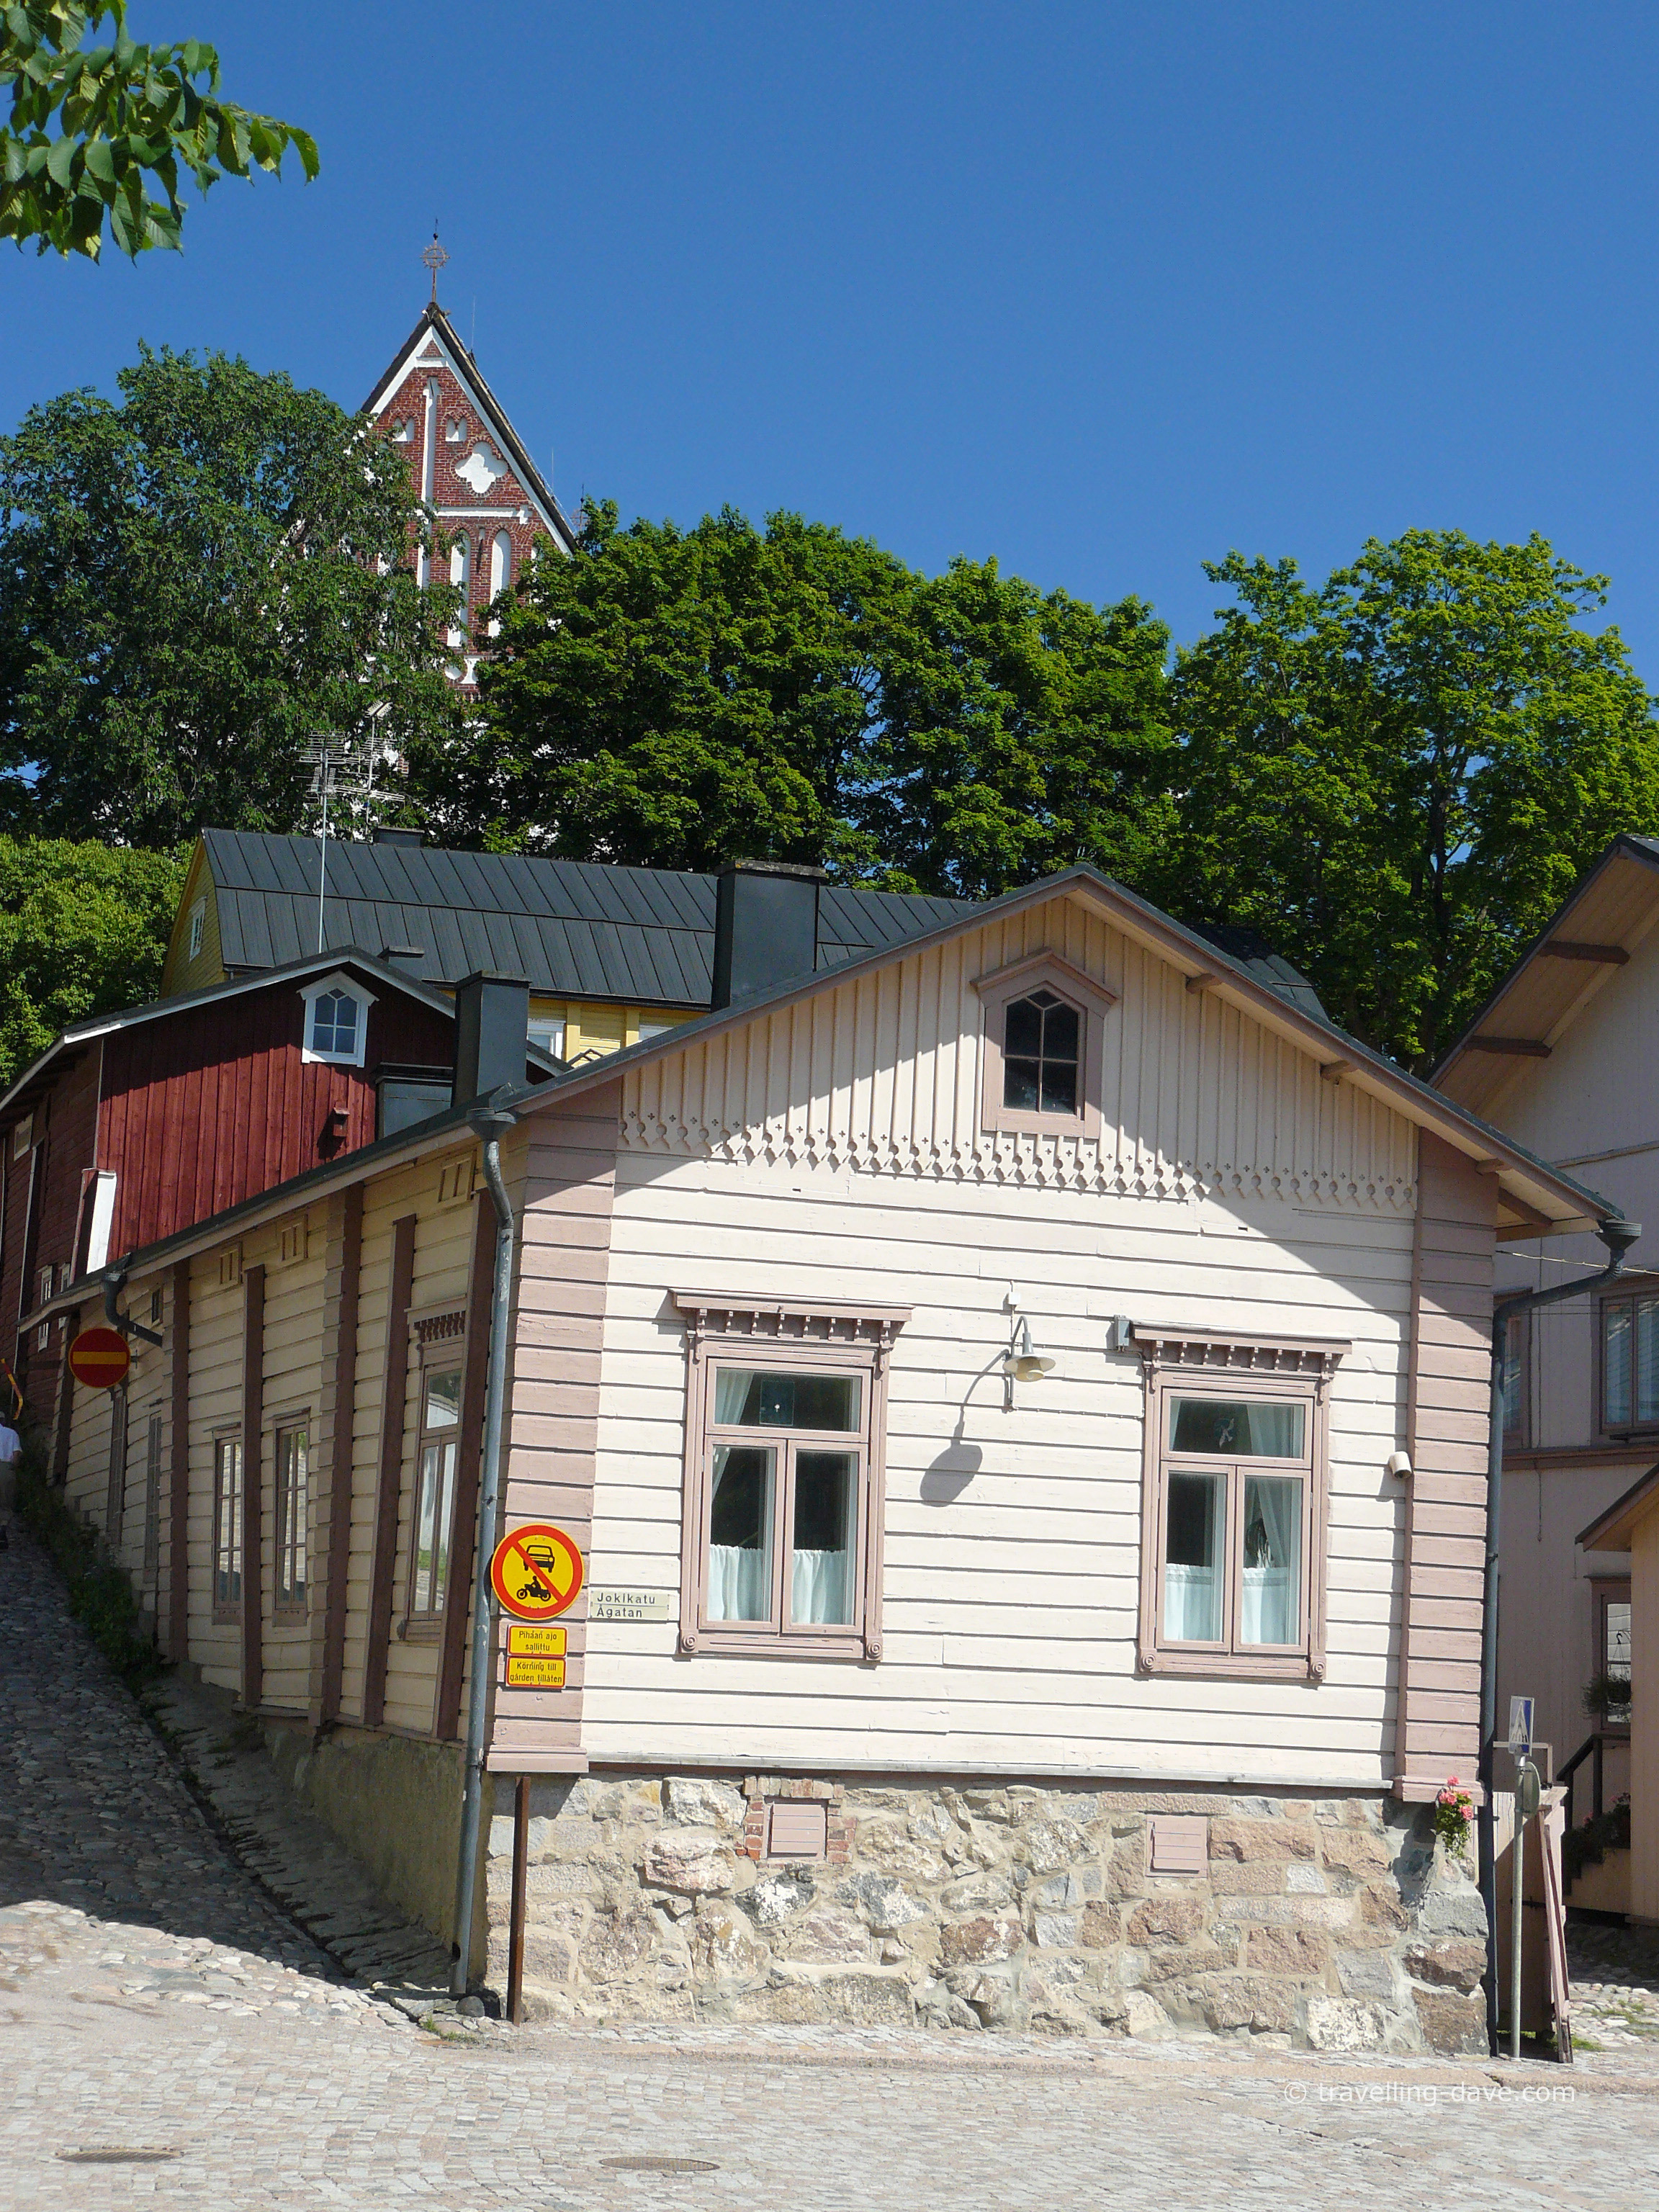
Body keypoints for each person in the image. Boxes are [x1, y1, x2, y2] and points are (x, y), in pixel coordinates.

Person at [0, 1414, 19, 1550]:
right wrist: (13, 1468)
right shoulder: (11, 1433)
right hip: (6, 1467)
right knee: (5, 1502)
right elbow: (17, 1453)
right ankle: (2, 1531)